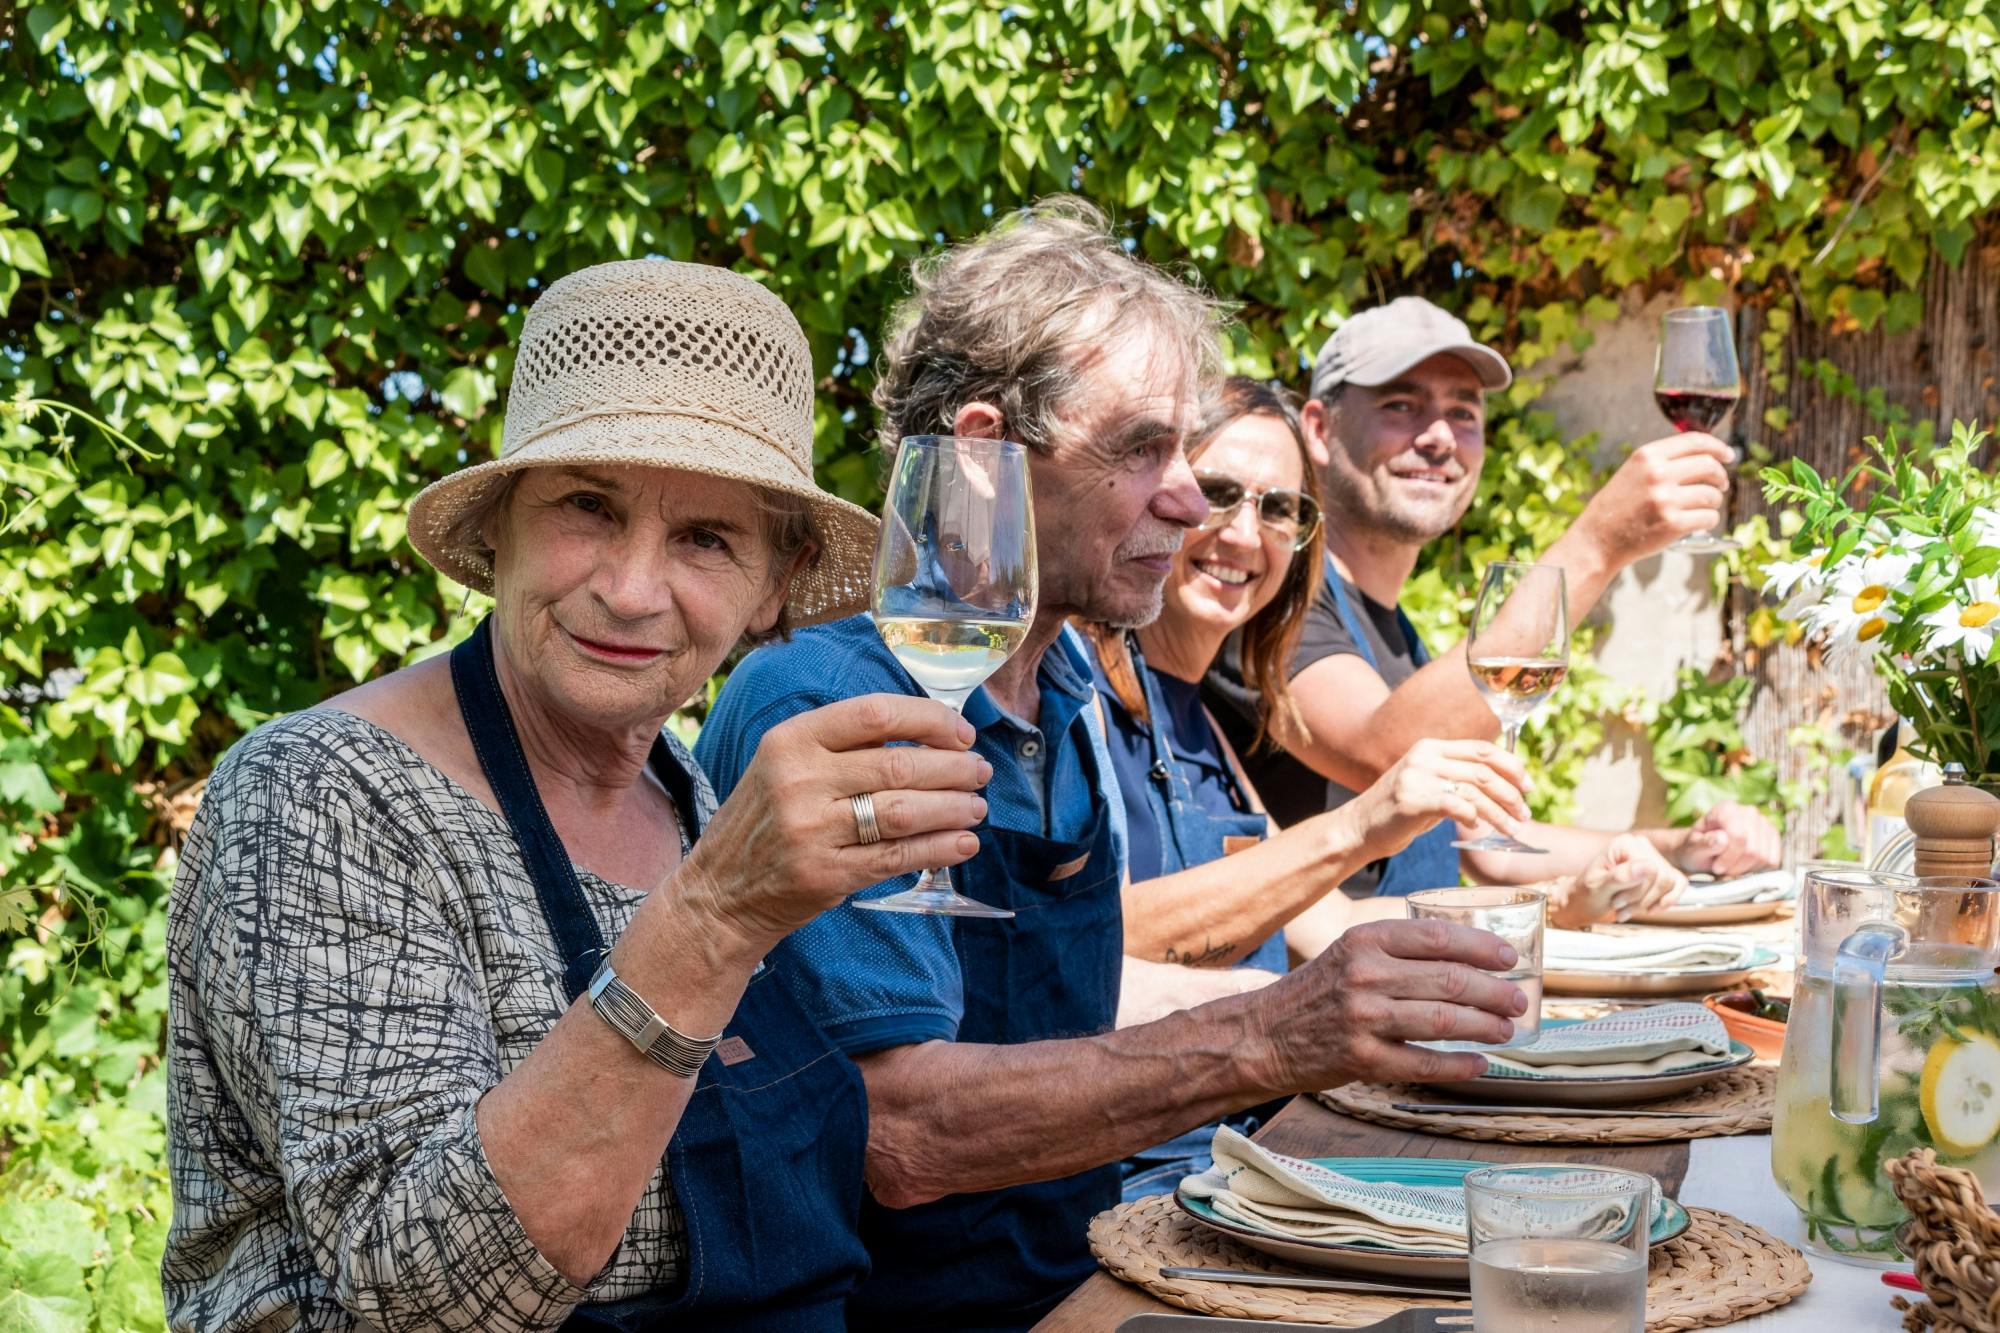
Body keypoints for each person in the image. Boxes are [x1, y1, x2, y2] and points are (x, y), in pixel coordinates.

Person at [696, 199, 1528, 1332]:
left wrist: (1336, 1002)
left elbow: (1071, 1012)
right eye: (1142, 449)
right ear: (981, 453)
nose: (1187, 501)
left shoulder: (1071, 688)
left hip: (1103, 1266)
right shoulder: (832, 705)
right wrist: (1269, 1033)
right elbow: (902, 1135)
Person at [162, 261, 995, 1331]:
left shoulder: (689, 793)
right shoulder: (323, 795)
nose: (631, 589)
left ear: (774, 587)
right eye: (588, 507)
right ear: (497, 526)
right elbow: (424, 1296)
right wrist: (712, 918)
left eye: (706, 538)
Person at [1087, 376, 1687, 1201]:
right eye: (1219, 493)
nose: (1245, 534)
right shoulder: (1082, 691)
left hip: (1244, 1153)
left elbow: (1332, 923)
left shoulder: (1198, 719)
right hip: (1148, 1181)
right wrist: (1362, 824)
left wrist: (1551, 905)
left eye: (1279, 509)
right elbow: (1095, 940)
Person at [1204, 296, 1783, 898]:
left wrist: (1682, 847)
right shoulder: (1268, 595)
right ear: (1320, 430)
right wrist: (1599, 543)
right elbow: (1388, 758)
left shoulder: (1400, 635)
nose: (1438, 437)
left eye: (1462, 412)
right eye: (1401, 406)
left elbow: (1493, 849)